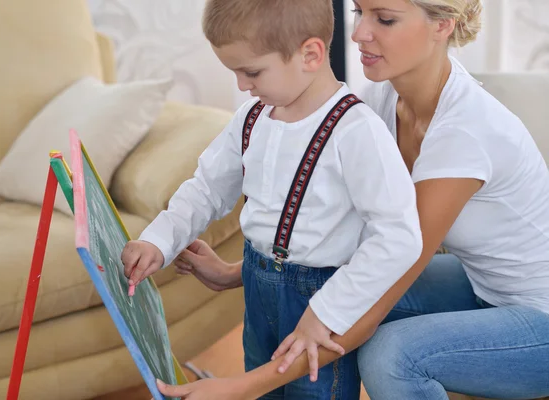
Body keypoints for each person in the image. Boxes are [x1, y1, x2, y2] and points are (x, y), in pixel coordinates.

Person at [156, 0, 549, 399]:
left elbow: (380, 292)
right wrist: (238, 273)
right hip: (481, 286)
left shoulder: (464, 132)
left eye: (385, 19)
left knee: (389, 355)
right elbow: (346, 244)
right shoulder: (379, 98)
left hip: (541, 320)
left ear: (443, 26)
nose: (359, 33)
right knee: (325, 292)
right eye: (359, 12)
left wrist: (241, 388)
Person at [121, 0, 424, 398]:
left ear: (311, 54)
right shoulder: (251, 118)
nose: (242, 85)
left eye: (251, 72)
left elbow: (399, 238)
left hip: (319, 300)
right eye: (235, 72)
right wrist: (158, 240)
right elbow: (205, 187)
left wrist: (326, 313)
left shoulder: (357, 131)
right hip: (258, 288)